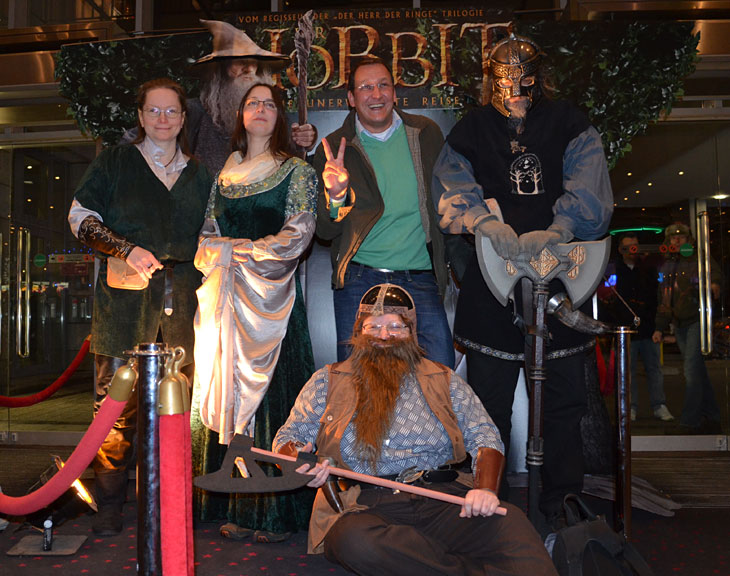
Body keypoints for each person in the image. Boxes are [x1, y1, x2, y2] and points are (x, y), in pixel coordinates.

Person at [432, 33, 613, 530]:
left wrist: (560, 227)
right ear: (490, 80)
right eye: (506, 82)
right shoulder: (472, 129)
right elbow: (452, 183)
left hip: (559, 274)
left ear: (539, 78)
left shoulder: (570, 123)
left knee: (562, 403)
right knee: (486, 402)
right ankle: (488, 504)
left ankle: (562, 503)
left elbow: (591, 190)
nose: (515, 92)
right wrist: (481, 221)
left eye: (524, 82)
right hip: (495, 277)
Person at [273, 283, 558, 576]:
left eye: (396, 326)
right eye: (374, 327)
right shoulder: (328, 380)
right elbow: (289, 437)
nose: (384, 335)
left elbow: (485, 434)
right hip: (365, 504)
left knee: (510, 524)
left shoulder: (444, 378)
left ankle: (425, 561)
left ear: (411, 332)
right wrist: (300, 460)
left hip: (443, 498)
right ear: (359, 331)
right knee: (353, 541)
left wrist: (484, 489)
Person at [68, 77, 211, 535]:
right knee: (114, 410)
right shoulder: (114, 162)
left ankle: (173, 501)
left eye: (171, 111)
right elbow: (80, 218)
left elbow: (213, 232)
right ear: (141, 116)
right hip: (124, 304)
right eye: (154, 110)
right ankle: (110, 503)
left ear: (183, 118)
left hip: (184, 304)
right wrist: (125, 249)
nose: (162, 119)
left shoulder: (201, 174)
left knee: (180, 409)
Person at [191, 82, 317, 542]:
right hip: (225, 303)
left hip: (271, 304)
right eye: (252, 103)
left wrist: (236, 251)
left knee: (272, 400)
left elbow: (297, 236)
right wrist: (220, 251)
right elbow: (205, 238)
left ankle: (273, 513)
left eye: (269, 104)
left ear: (280, 115)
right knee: (222, 389)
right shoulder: (223, 173)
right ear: (241, 114)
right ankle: (231, 503)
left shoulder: (297, 171)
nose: (261, 109)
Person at [312, 56, 454, 368]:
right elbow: (324, 231)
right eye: (365, 87)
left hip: (420, 275)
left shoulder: (425, 133)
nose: (376, 94)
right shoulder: (334, 149)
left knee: (440, 373)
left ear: (394, 92)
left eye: (383, 85)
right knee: (356, 380)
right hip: (359, 277)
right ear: (351, 98)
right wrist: (336, 195)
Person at [188, 19, 316, 177]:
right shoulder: (194, 114)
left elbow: (291, 153)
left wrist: (305, 138)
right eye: (239, 61)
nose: (248, 68)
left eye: (253, 61)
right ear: (222, 68)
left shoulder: (273, 115)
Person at [653, 223, 722, 434]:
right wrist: (659, 327)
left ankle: (689, 421)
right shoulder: (667, 265)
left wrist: (713, 285)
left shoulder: (698, 258)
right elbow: (664, 298)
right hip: (680, 323)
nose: (677, 240)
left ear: (688, 239)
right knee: (697, 372)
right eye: (673, 238)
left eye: (681, 237)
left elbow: (715, 275)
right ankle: (712, 416)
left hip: (696, 319)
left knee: (691, 371)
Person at [601, 233, 673, 422]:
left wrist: (658, 326)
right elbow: (609, 299)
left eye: (635, 247)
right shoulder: (615, 270)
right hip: (625, 329)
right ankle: (630, 406)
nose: (633, 251)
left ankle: (659, 405)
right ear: (620, 250)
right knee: (627, 371)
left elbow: (656, 298)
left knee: (654, 369)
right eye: (628, 247)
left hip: (648, 328)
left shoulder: (648, 269)